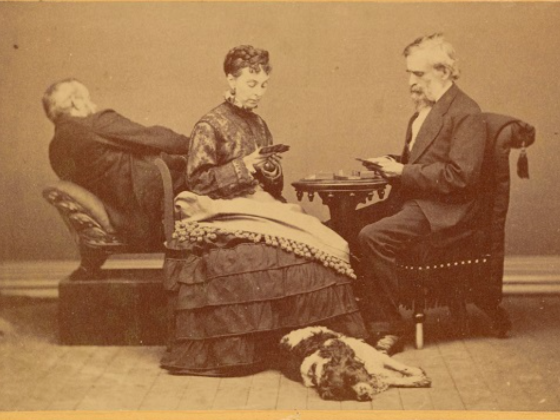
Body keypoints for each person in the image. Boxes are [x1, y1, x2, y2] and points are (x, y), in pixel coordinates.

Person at [160, 45, 369, 377]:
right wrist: (244, 165)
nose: (258, 92)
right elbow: (198, 182)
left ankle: (306, 341)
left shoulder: (258, 124)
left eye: (263, 85)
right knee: (275, 255)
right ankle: (261, 348)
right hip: (221, 207)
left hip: (258, 204)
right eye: (250, 83)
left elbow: (272, 184)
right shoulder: (209, 125)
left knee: (318, 242)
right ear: (231, 80)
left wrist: (269, 169)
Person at [354, 33, 487, 355]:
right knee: (341, 225)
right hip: (414, 201)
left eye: (418, 74)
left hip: (442, 209)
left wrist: (402, 171)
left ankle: (388, 327)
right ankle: (359, 318)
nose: (411, 82)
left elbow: (460, 176)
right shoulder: (423, 112)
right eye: (409, 73)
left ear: (443, 72)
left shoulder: (466, 113)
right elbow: (421, 161)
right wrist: (390, 164)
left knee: (373, 236)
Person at [43, 78, 190, 250]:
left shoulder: (54, 151)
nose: (93, 105)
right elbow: (154, 138)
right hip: (157, 206)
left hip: (129, 223)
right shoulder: (94, 123)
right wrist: (200, 143)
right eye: (88, 99)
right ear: (76, 101)